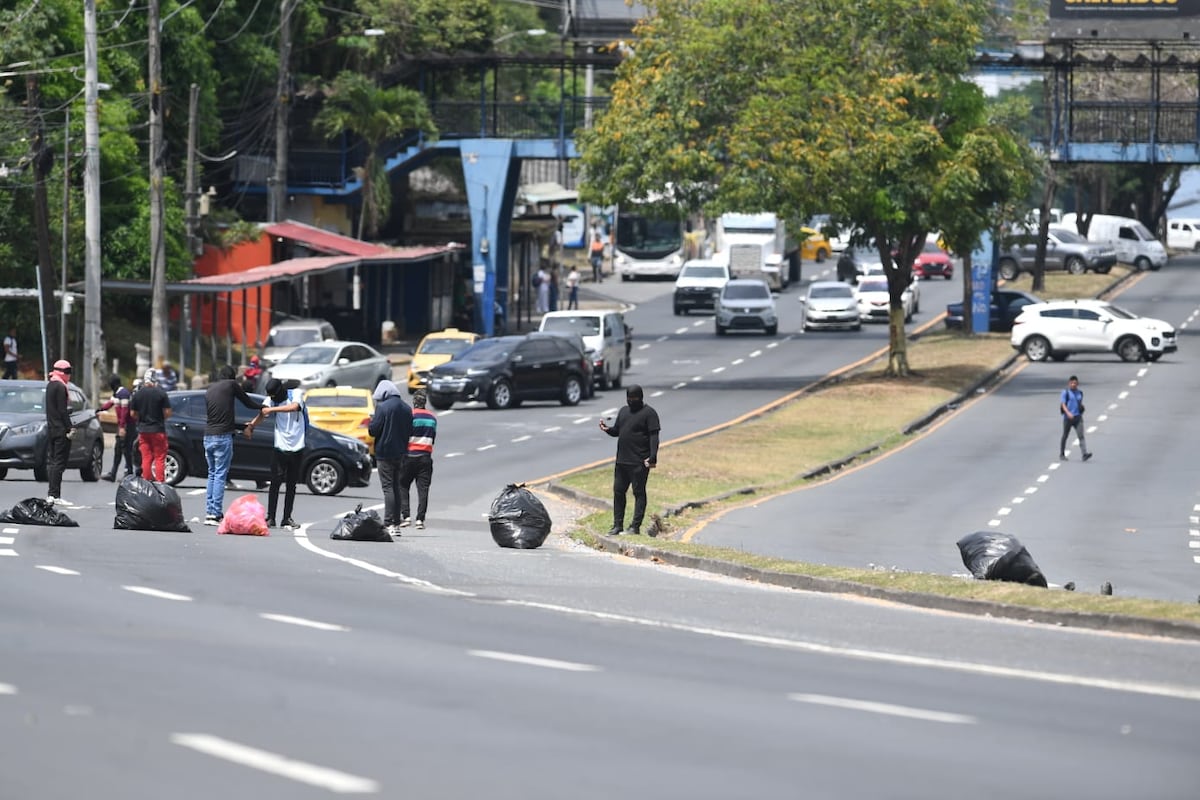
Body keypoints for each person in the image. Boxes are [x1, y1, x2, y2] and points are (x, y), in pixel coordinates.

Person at [203, 364, 264, 525]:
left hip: (208, 436)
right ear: (232, 377)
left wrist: (241, 427)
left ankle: (210, 512)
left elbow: (220, 419)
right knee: (220, 475)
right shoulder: (231, 385)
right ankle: (215, 513)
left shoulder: (209, 390)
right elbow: (247, 402)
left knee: (212, 474)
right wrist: (263, 407)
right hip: (222, 437)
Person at [598, 384, 660, 536]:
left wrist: (652, 457)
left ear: (641, 397)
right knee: (618, 492)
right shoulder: (624, 411)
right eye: (629, 398)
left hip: (639, 461)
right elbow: (617, 431)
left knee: (638, 492)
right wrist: (607, 429)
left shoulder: (649, 413)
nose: (631, 401)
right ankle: (617, 525)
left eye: (634, 398)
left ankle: (635, 526)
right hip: (622, 461)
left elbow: (654, 437)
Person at [250, 378, 305, 529]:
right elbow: (262, 414)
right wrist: (251, 426)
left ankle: (286, 518)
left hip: (297, 446)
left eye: (275, 396)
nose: (274, 399)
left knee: (291, 485)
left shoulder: (295, 394)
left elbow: (294, 407)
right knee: (275, 483)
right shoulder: (271, 399)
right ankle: (271, 517)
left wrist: (272, 410)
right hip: (280, 447)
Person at [368, 380, 413, 535]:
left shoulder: (382, 407)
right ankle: (397, 524)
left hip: (384, 452)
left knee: (388, 488)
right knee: (397, 487)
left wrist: (372, 420)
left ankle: (389, 523)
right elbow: (410, 431)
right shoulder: (407, 408)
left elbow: (373, 431)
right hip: (401, 453)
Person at [399, 390, 437, 530]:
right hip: (425, 457)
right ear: (425, 402)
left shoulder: (409, 416)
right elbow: (432, 438)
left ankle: (406, 516)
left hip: (409, 456)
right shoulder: (432, 418)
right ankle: (420, 520)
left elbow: (403, 436)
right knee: (423, 489)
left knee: (403, 485)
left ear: (414, 402)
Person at [129, 368, 172, 482]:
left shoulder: (138, 394)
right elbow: (168, 412)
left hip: (143, 431)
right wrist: (160, 417)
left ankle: (147, 482)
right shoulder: (161, 393)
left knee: (146, 457)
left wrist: (141, 418)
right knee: (159, 458)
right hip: (158, 430)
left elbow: (132, 413)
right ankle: (160, 483)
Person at [44, 359, 74, 505]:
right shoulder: (61, 387)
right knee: (59, 463)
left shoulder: (50, 385)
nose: (69, 375)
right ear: (61, 372)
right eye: (67, 371)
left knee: (52, 462)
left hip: (51, 428)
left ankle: (51, 494)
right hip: (61, 429)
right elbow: (63, 410)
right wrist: (70, 427)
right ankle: (55, 494)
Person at [100, 374, 134, 481]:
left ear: (114, 384)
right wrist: (99, 410)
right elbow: (109, 404)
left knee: (126, 449)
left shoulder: (123, 394)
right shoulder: (117, 394)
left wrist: (122, 427)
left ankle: (128, 473)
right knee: (119, 449)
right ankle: (114, 473)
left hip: (127, 426)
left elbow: (125, 411)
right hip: (122, 426)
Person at [1059, 374, 1093, 462]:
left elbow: (1079, 403)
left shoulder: (1080, 393)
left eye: (1075, 383)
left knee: (1081, 436)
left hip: (1078, 418)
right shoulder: (1065, 393)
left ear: (1077, 384)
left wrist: (1081, 408)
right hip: (1068, 418)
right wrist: (1068, 413)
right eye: (1072, 383)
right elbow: (1063, 405)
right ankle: (1062, 454)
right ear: (1069, 383)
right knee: (1065, 435)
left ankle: (1084, 454)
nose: (1073, 384)